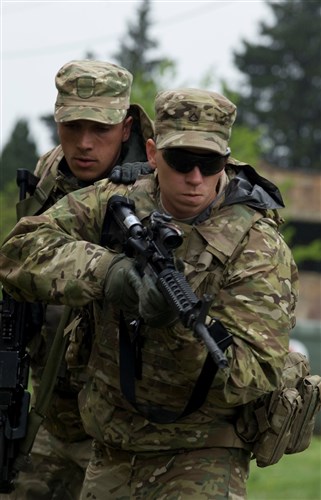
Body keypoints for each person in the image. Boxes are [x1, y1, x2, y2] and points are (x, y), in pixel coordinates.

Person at [0, 88, 299, 498]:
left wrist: (175, 328)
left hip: (202, 452)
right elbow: (18, 251)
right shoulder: (115, 201)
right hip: (113, 446)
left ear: (225, 161)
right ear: (154, 154)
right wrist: (109, 272)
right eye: (181, 161)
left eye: (209, 163)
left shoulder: (256, 245)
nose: (195, 177)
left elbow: (257, 374)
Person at [2, 59, 154, 500]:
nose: (84, 144)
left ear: (125, 128)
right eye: (72, 127)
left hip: (122, 429)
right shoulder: (50, 173)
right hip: (51, 410)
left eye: (100, 130)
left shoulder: (159, 185)